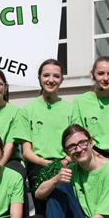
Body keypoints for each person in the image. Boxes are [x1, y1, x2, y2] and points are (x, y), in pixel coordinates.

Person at [15, 59, 75, 206]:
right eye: (46, 75)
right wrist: (49, 164)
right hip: (38, 165)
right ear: (39, 78)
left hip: (66, 163)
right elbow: (26, 152)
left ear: (62, 79)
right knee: (45, 206)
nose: (51, 80)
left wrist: (65, 161)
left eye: (56, 76)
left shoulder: (71, 109)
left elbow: (75, 144)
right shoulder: (27, 110)